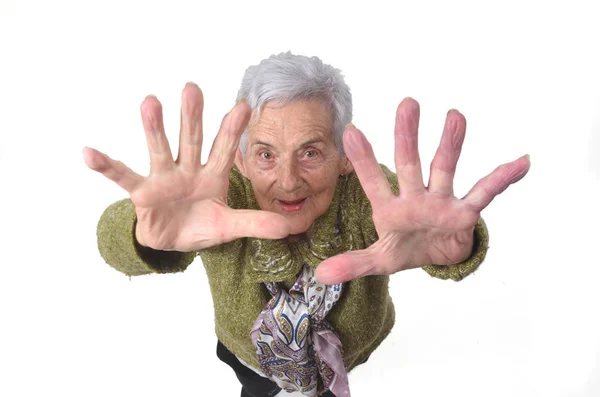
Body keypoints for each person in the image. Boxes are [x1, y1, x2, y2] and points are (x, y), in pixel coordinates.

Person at [83, 52, 530, 397]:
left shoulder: (372, 191)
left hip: (350, 353)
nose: (288, 180)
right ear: (239, 158)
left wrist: (461, 246)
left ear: (344, 160)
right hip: (248, 354)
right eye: (264, 154)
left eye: (311, 152)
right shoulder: (214, 194)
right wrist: (144, 235)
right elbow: (112, 237)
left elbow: (427, 224)